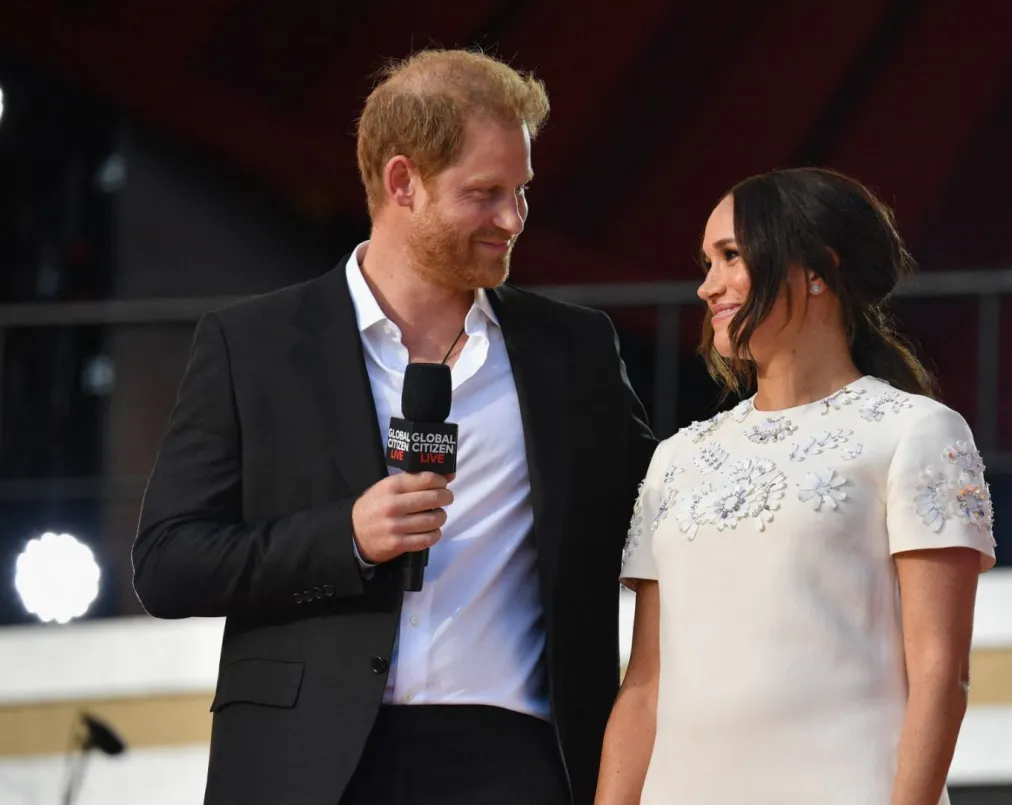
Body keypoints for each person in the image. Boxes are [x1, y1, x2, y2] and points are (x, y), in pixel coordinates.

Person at [132, 49, 656, 805]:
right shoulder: (251, 344)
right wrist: (345, 535)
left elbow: (663, 510)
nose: (513, 219)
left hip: (520, 757)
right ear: (402, 180)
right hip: (307, 764)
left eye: (522, 192)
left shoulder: (571, 349)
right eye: (485, 193)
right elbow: (167, 561)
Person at [596, 167, 997, 804]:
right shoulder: (677, 457)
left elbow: (940, 677)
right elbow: (644, 685)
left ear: (818, 268)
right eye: (706, 262)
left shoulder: (914, 432)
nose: (707, 286)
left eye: (731, 256)